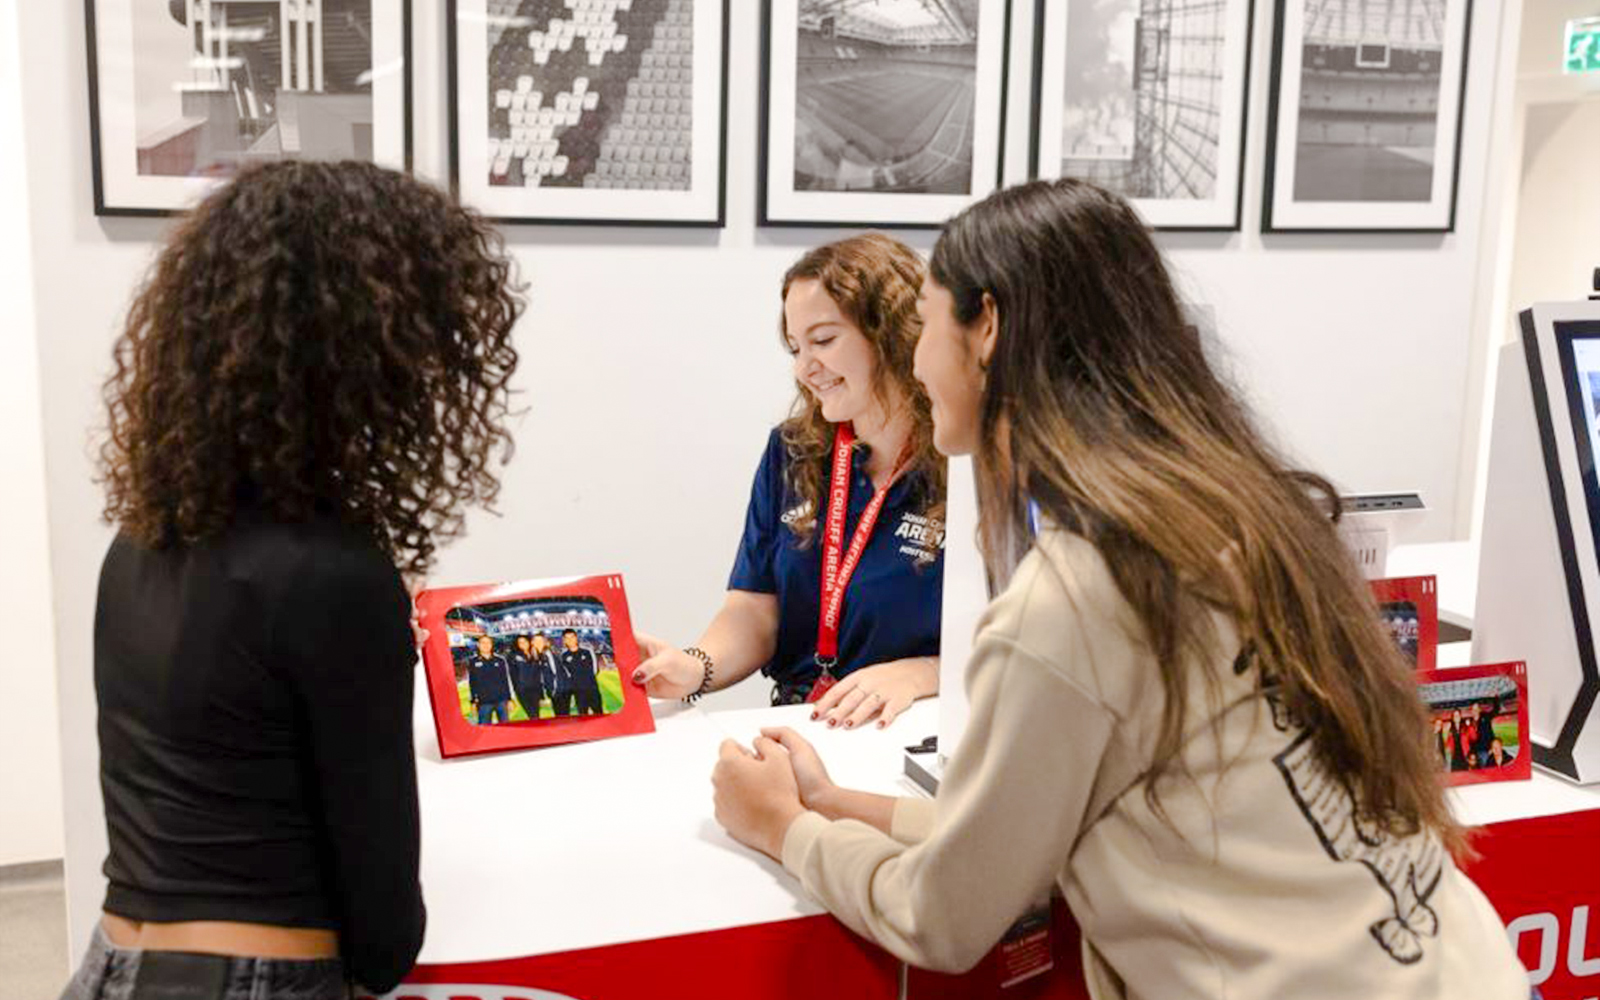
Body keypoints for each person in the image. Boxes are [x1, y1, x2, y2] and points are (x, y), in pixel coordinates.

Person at [709, 179, 1527, 997]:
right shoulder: (1231, 510)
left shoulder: (1075, 595)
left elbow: (945, 915)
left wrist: (787, 828)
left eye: (927, 324)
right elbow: (1056, 828)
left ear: (986, 329)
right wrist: (844, 804)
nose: (917, 360)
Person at [72, 160, 522, 999]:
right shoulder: (335, 573)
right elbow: (383, 905)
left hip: (111, 964)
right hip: (255, 977)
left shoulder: (141, 542)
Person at [634, 234, 946, 728]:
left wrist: (928, 673)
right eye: (796, 347)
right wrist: (695, 667)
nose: (805, 369)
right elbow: (755, 611)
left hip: (915, 729)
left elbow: (1025, 646)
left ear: (892, 333)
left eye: (823, 341)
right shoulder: (793, 451)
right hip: (807, 723)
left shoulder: (969, 463)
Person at [467, 635, 514, 725]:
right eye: (483, 643)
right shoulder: (473, 662)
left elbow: (506, 680)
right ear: (478, 645)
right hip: (484, 702)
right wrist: (473, 702)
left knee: (507, 728)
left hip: (501, 700)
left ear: (491, 645)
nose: (486, 645)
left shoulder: (500, 660)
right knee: (485, 730)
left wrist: (509, 699)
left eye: (488, 642)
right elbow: (472, 683)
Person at [559, 629, 604, 716]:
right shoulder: (564, 656)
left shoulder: (587, 651)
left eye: (572, 637)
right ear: (564, 640)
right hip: (578, 693)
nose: (570, 640)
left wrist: (587, 681)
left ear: (576, 638)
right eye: (567, 638)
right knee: (583, 716)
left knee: (599, 714)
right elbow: (567, 674)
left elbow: (595, 669)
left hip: (592, 689)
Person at [508, 633, 546, 720]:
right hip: (522, 690)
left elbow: (538, 675)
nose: (523, 644)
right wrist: (513, 694)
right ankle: (536, 731)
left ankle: (537, 731)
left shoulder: (535, 654)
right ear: (517, 644)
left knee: (536, 714)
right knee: (532, 714)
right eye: (520, 642)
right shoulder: (513, 656)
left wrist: (541, 695)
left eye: (525, 641)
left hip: (535, 689)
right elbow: (511, 675)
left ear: (529, 642)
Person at [533, 632, 565, 717]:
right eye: (536, 641)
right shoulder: (538, 655)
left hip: (559, 691)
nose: (538, 643)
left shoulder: (548, 654)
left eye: (540, 641)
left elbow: (556, 673)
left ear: (545, 642)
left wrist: (554, 692)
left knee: (562, 717)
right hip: (551, 690)